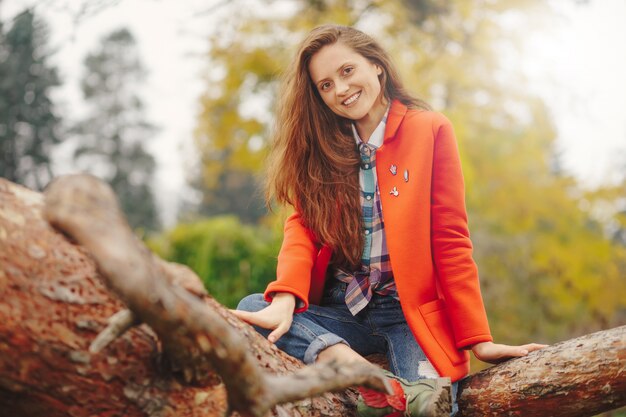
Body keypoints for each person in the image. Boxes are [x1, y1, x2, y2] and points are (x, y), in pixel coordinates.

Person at [232, 24, 546, 417]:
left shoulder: (430, 129)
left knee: (433, 405)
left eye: (347, 71)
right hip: (342, 311)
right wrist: (283, 299)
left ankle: (372, 385)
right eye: (325, 85)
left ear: (377, 66)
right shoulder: (322, 148)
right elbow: (302, 230)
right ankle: (354, 370)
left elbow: (450, 240)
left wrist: (478, 340)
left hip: (410, 315)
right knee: (251, 308)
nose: (341, 89)